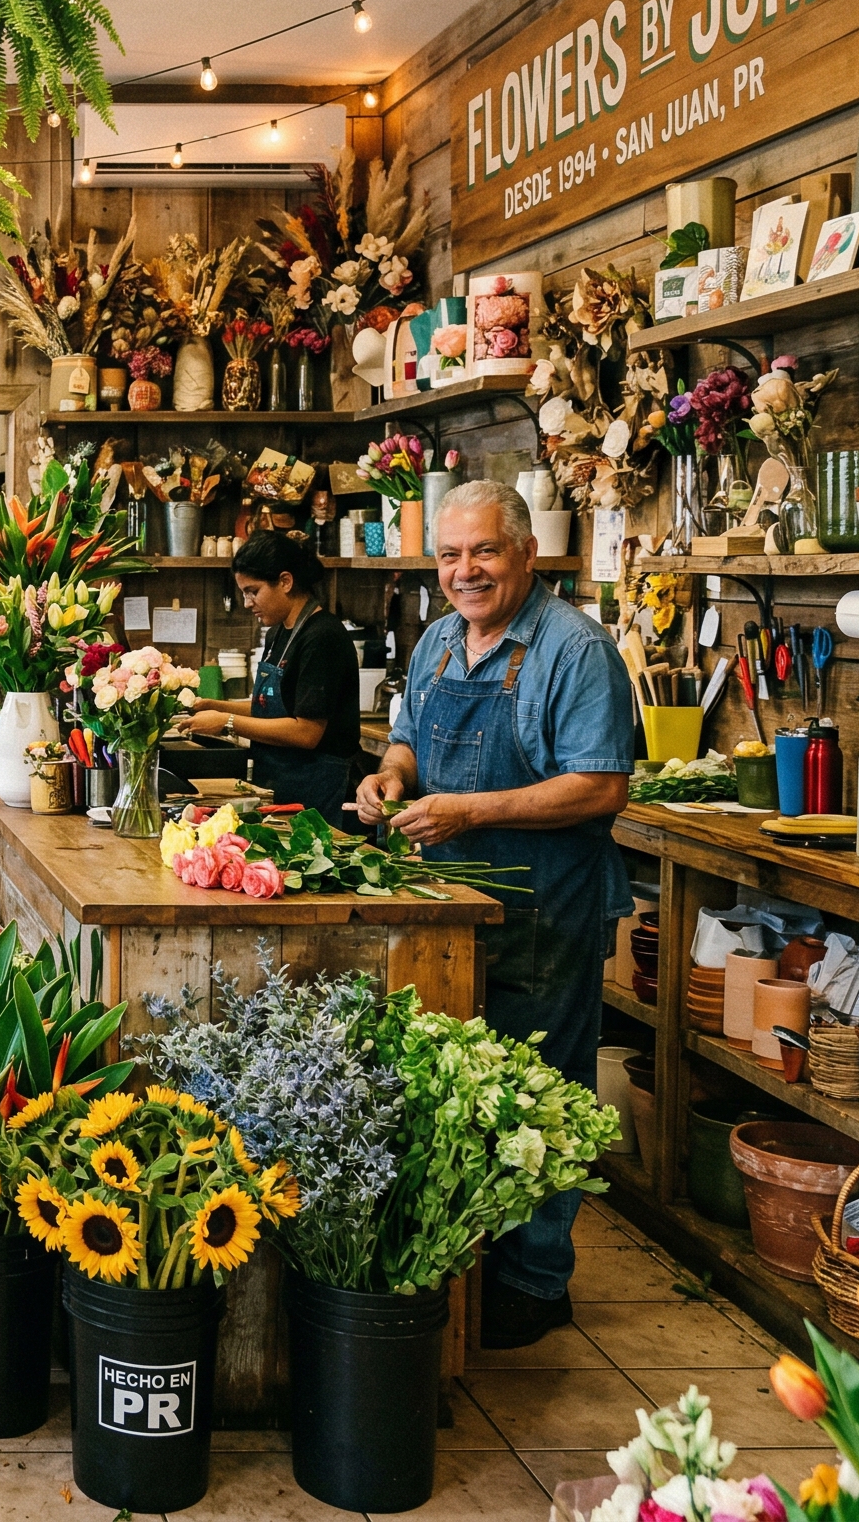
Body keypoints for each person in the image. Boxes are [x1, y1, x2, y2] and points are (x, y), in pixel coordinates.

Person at [351, 480, 634, 1349]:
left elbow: (601, 784)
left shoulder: (576, 651)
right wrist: (392, 776)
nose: (464, 571)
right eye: (449, 555)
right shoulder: (438, 639)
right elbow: (407, 736)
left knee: (542, 1093)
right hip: (446, 904)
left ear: (526, 555)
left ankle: (537, 1282)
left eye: (483, 552)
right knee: (460, 1088)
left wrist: (470, 810)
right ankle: (471, 1258)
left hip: (544, 902)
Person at [183, 531, 359, 818]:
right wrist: (213, 706)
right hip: (278, 779)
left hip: (318, 786)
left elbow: (306, 732)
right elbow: (268, 708)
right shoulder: (278, 632)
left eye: (253, 591)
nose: (247, 602)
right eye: (243, 593)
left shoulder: (322, 636)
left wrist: (226, 722)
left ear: (285, 582)